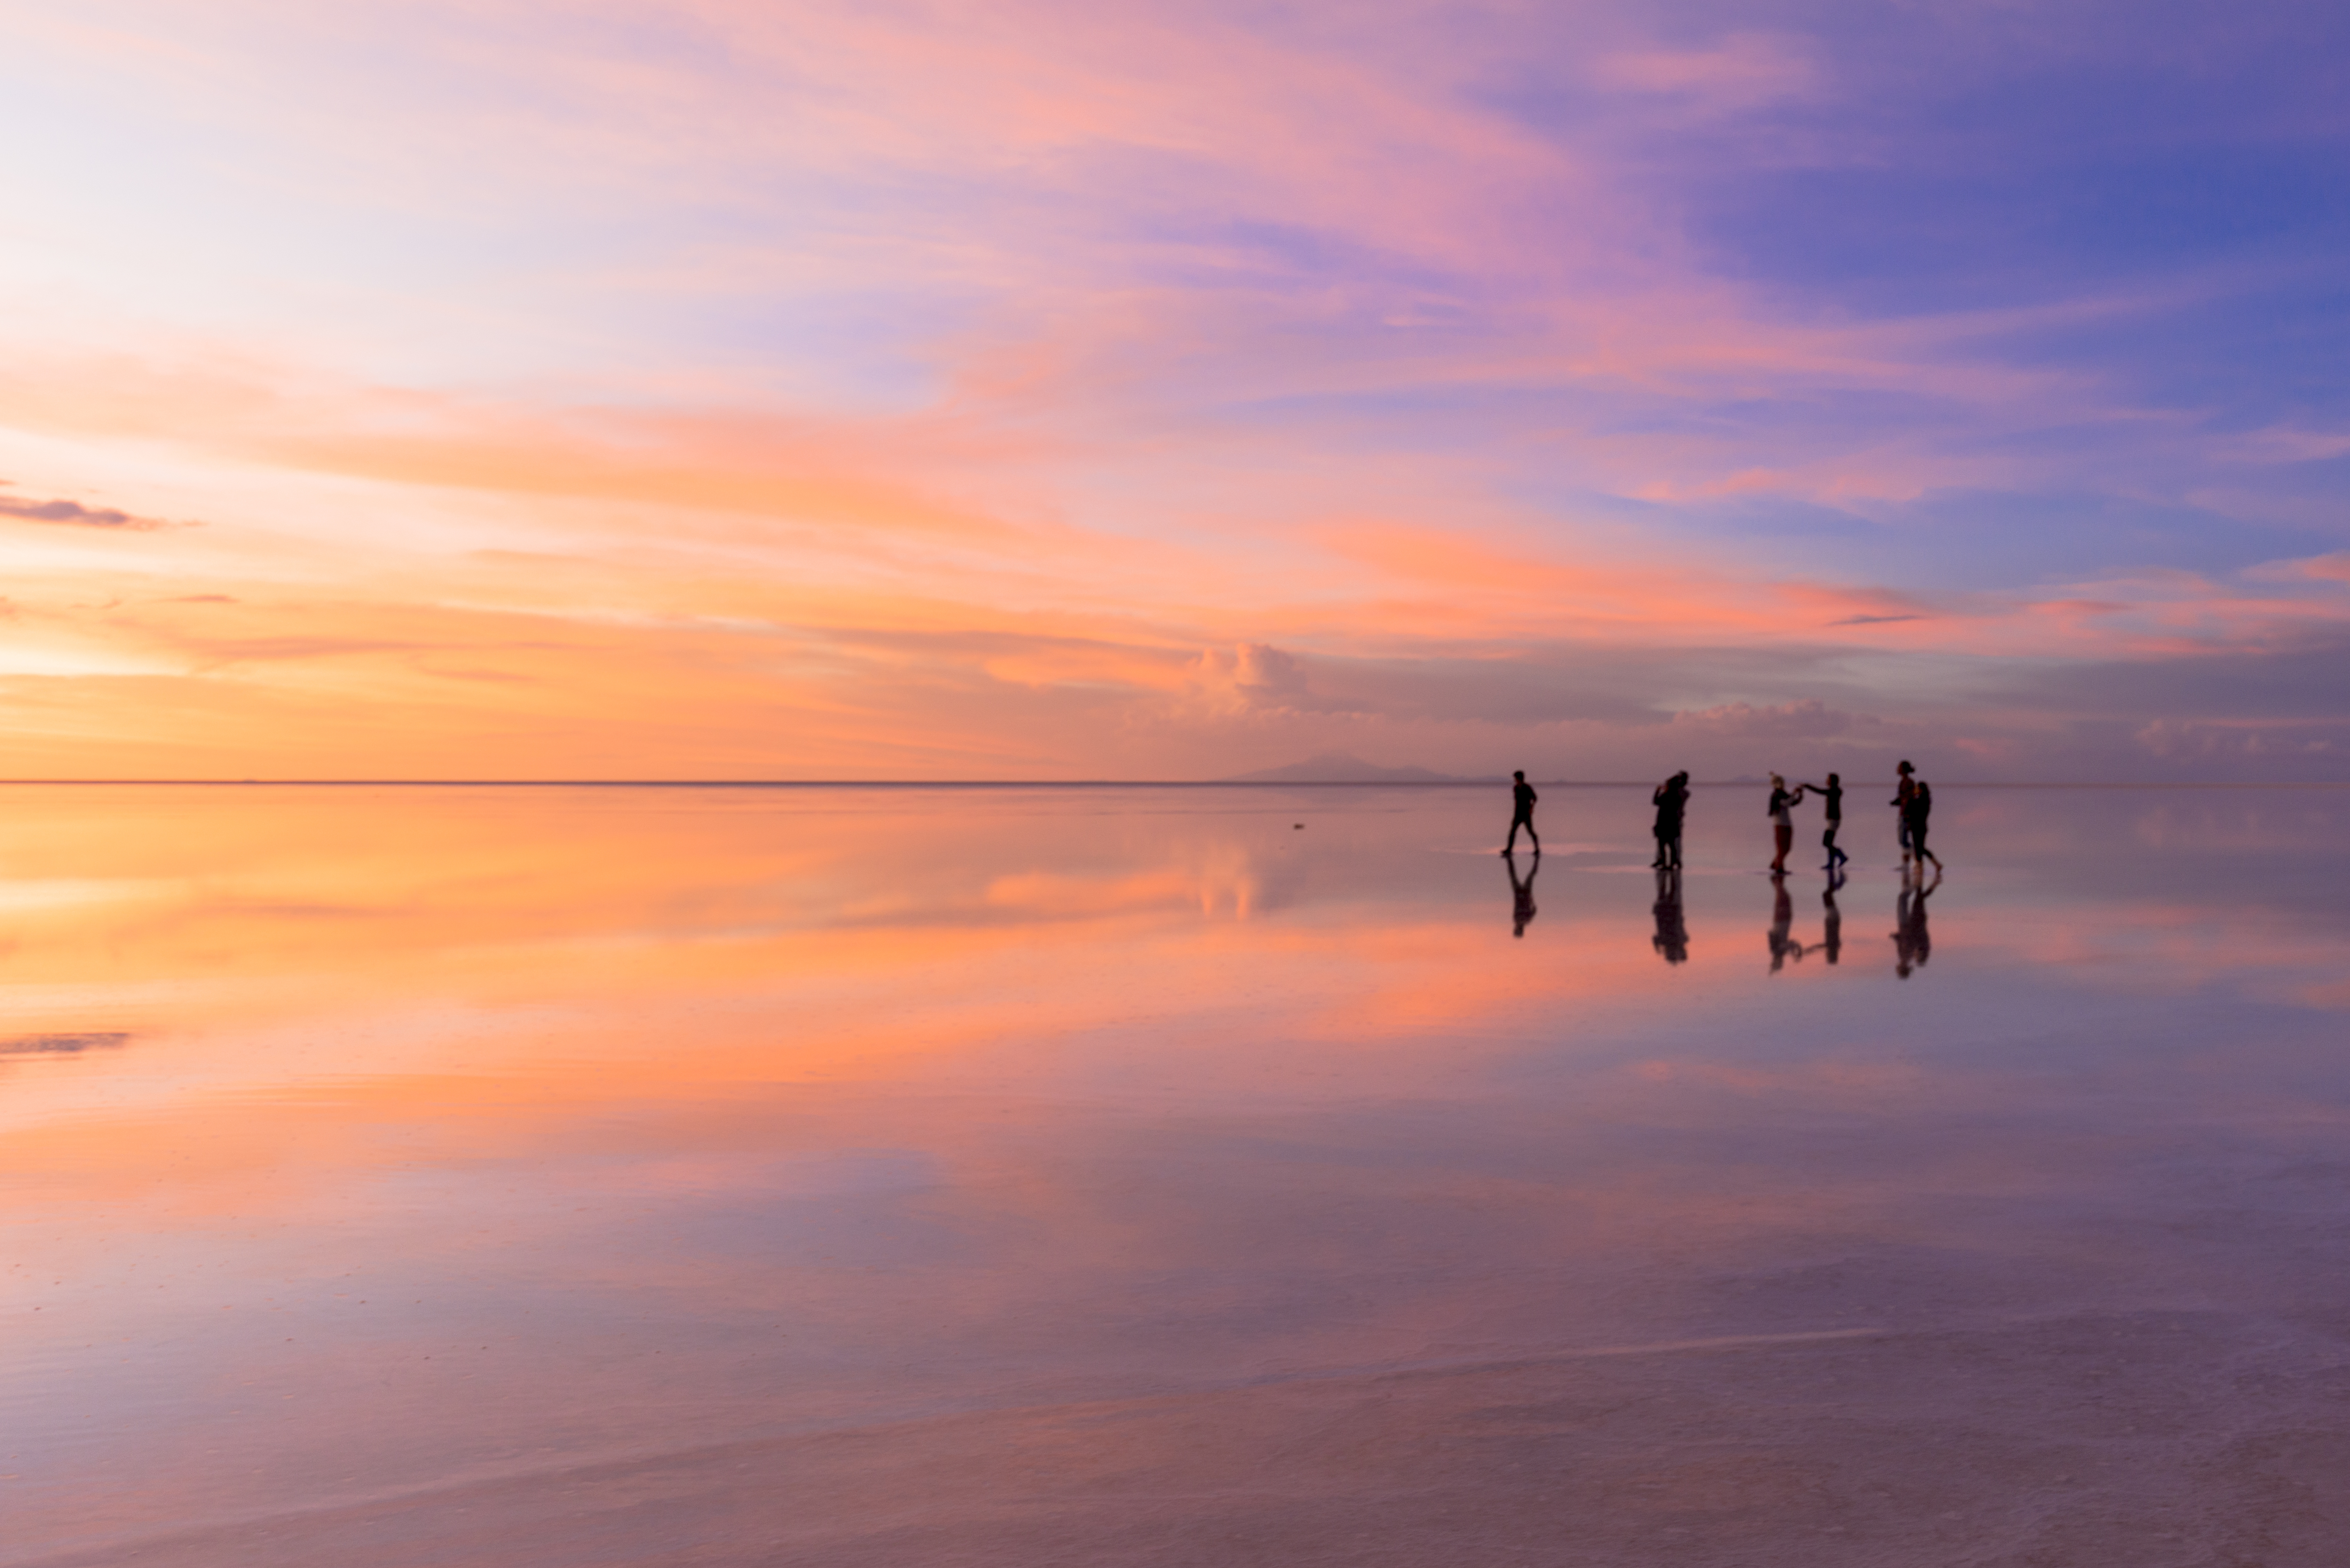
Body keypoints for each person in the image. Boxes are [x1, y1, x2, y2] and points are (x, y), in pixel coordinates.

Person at [1801, 771, 1848, 870]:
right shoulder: (1834, 790)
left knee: (1826, 843)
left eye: (1828, 779)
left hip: (1834, 820)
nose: (1827, 781)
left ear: (1833, 781)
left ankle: (1842, 857)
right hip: (1832, 820)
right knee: (1829, 842)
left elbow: (1820, 792)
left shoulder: (1834, 791)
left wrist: (1807, 786)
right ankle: (1831, 863)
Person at [1651, 865, 1688, 965]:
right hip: (1666, 912)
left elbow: (1685, 936)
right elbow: (1655, 939)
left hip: (1670, 912)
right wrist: (1658, 949)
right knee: (1665, 890)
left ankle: (1670, 872)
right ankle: (1666, 872)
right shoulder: (1666, 942)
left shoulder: (1678, 942)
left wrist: (1658, 948)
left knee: (1670, 889)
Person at [1904, 772, 1941, 871]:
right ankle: (1925, 865)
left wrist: (1910, 800)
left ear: (1921, 790)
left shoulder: (1920, 801)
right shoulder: (1923, 800)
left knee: (1920, 848)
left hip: (1919, 827)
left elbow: (1911, 812)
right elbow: (1909, 813)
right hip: (1919, 827)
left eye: (1917, 788)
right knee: (1919, 848)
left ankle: (1929, 865)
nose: (1915, 790)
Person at [1651, 771, 1688, 869]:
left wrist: (1658, 791)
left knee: (1663, 844)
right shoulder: (1678, 796)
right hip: (1673, 822)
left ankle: (1664, 862)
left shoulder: (1667, 796)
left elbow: (1656, 802)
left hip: (1664, 822)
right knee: (1672, 844)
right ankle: (1672, 863)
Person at [1766, 773, 1802, 873]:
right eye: (1781, 782)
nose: (1783, 784)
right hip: (1780, 824)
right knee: (1783, 848)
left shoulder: (1782, 794)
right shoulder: (1777, 795)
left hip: (1786, 824)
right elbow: (1786, 803)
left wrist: (1799, 795)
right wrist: (1795, 793)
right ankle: (1779, 867)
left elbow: (1792, 802)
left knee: (1786, 848)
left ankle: (1776, 864)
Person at [1503, 770, 1539, 855]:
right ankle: (1509, 849)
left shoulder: (1527, 788)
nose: (1515, 780)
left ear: (1520, 778)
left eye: (1516, 778)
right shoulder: (1516, 788)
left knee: (1530, 831)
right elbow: (1516, 801)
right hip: (1518, 814)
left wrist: (1531, 809)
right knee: (1512, 832)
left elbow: (1535, 798)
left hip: (1526, 814)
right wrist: (1515, 813)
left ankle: (1537, 849)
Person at [1505, 849, 1538, 937]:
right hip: (1521, 893)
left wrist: (1531, 899)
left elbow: (1534, 909)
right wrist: (1530, 899)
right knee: (1515, 875)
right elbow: (1534, 910)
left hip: (1523, 894)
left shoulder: (1527, 920)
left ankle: (1536, 861)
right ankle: (1536, 860)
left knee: (1529, 876)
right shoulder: (1519, 919)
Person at [1891, 761, 1917, 862]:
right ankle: (1907, 863)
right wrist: (1896, 802)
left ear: (1904, 770)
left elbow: (1911, 798)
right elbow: (1903, 798)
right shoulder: (1902, 782)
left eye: (1899, 767)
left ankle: (1915, 858)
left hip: (1907, 814)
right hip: (1902, 813)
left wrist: (1909, 816)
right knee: (1903, 840)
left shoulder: (1910, 782)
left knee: (1903, 840)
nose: (1897, 769)